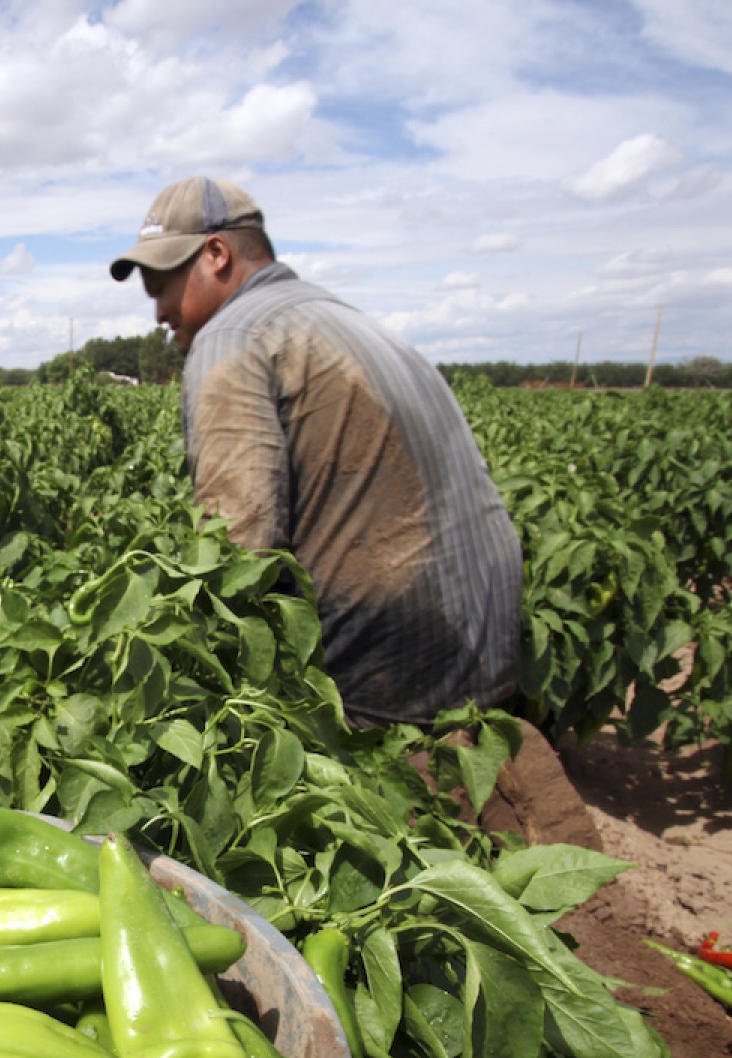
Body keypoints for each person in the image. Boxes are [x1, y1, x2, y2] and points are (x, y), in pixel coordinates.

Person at [110, 177, 523, 728]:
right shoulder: (347, 319)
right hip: (491, 651)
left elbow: (240, 543)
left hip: (392, 680)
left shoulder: (233, 336)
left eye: (161, 284)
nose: (158, 311)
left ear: (216, 254)